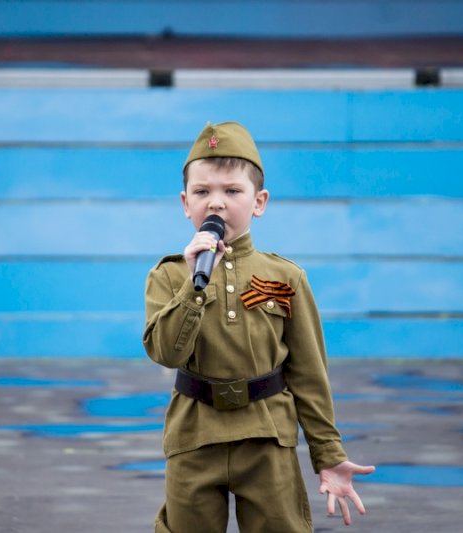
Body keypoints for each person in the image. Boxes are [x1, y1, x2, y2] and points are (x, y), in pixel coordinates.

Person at [143, 121, 375, 532]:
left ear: (259, 201)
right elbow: (165, 352)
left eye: (232, 191)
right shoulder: (170, 276)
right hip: (194, 436)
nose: (216, 204)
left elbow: (308, 373)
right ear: (184, 202)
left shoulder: (286, 277)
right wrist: (195, 287)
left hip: (267, 436)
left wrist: (328, 453)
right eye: (202, 192)